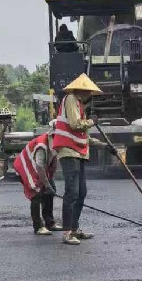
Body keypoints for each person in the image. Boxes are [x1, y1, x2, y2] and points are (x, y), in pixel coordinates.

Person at [51, 74, 102, 246]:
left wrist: (103, 145)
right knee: (72, 192)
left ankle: (74, 228)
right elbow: (75, 125)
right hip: (68, 150)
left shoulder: (80, 105)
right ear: (82, 90)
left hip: (78, 152)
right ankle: (67, 232)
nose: (90, 96)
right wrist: (91, 121)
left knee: (81, 192)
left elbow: (83, 136)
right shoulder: (71, 99)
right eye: (89, 92)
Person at [13, 128, 62, 235]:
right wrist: (47, 185)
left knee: (49, 192)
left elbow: (52, 162)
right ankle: (38, 226)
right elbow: (39, 167)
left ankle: (50, 223)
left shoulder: (56, 143)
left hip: (38, 167)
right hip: (26, 166)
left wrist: (49, 183)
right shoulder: (42, 145)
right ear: (53, 135)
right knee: (36, 193)